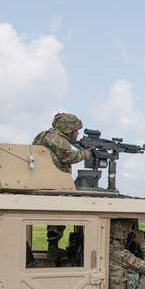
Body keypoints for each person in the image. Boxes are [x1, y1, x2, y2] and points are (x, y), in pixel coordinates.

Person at [33, 112, 93, 261]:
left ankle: (53, 248)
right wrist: (86, 154)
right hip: (53, 183)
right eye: (76, 130)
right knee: (59, 216)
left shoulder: (44, 135)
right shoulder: (58, 139)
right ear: (68, 128)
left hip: (42, 180)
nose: (78, 133)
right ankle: (53, 249)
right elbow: (68, 157)